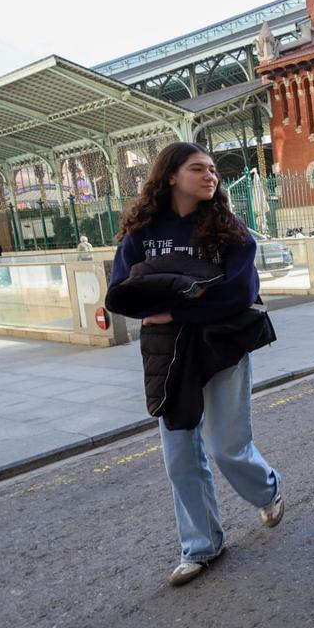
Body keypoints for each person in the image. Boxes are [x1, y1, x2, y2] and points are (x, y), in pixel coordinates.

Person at [105, 142, 283, 587]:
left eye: (212, 170)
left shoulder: (230, 230)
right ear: (170, 176)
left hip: (221, 346)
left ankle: (268, 490)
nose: (210, 177)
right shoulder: (142, 232)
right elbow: (123, 292)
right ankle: (201, 546)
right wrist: (184, 298)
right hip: (167, 351)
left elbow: (238, 295)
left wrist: (174, 306)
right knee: (180, 451)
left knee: (226, 445)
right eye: (197, 169)